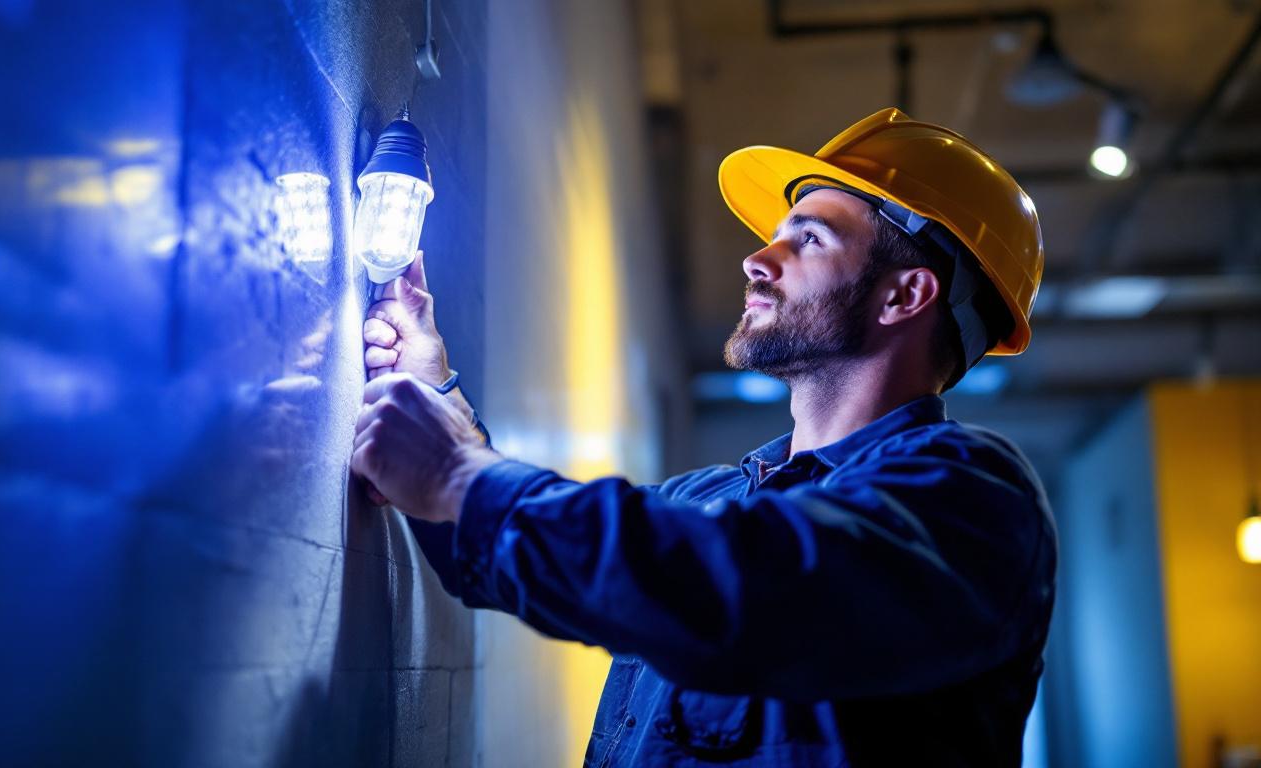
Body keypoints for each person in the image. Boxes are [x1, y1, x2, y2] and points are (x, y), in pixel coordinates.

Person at [350, 107, 1056, 766]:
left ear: (905, 295)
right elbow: (505, 555)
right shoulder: (710, 499)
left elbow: (741, 589)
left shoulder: (971, 498)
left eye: (808, 238)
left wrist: (456, 477)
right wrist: (434, 395)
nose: (757, 259)